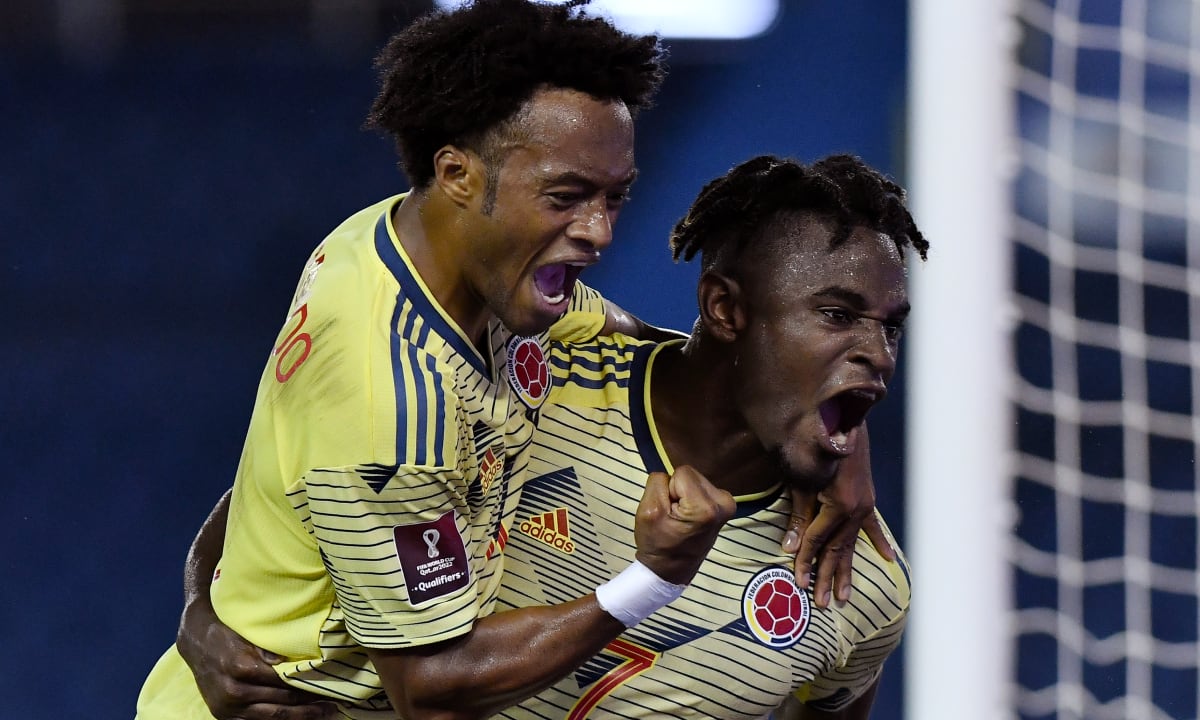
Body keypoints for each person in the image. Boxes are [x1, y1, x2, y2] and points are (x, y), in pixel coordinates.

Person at [135, 2, 885, 719]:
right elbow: (433, 691)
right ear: (458, 173)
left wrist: (824, 426)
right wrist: (652, 580)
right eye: (566, 196)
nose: (598, 230)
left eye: (615, 197)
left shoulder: (420, 250)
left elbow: (282, 480)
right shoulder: (393, 401)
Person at [492, 153, 927, 718]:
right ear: (724, 307)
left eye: (891, 326)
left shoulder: (859, 580)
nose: (881, 354)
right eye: (838, 315)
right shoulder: (533, 379)